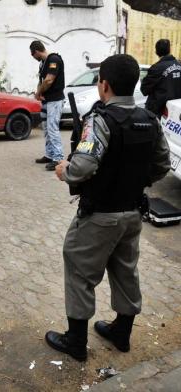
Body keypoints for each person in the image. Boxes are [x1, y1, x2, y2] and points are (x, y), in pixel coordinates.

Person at [46, 54, 170, 362]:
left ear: (104, 86)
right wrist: (135, 180)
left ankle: (75, 342)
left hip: (99, 215)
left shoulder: (100, 120)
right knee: (125, 269)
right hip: (132, 213)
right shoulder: (149, 120)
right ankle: (121, 333)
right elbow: (162, 165)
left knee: (77, 267)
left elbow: (82, 167)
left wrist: (65, 171)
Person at [30, 40, 65, 171]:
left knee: (52, 128)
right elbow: (42, 80)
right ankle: (50, 155)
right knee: (46, 128)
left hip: (55, 100)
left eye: (33, 55)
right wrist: (38, 93)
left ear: (36, 52)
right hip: (47, 100)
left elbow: (49, 80)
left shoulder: (54, 59)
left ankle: (58, 158)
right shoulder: (43, 63)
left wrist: (39, 92)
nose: (34, 58)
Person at [141, 39, 181, 117]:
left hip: (159, 112)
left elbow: (144, 89)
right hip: (176, 111)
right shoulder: (179, 65)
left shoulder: (156, 68)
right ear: (170, 50)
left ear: (156, 52)